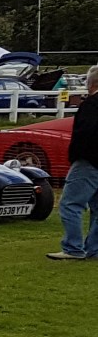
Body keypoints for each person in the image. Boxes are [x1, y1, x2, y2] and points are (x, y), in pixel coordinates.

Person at [50, 65, 98, 260]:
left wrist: (76, 155)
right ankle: (94, 249)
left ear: (91, 83)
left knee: (70, 203)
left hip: (89, 161)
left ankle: (73, 248)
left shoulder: (92, 104)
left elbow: (86, 133)